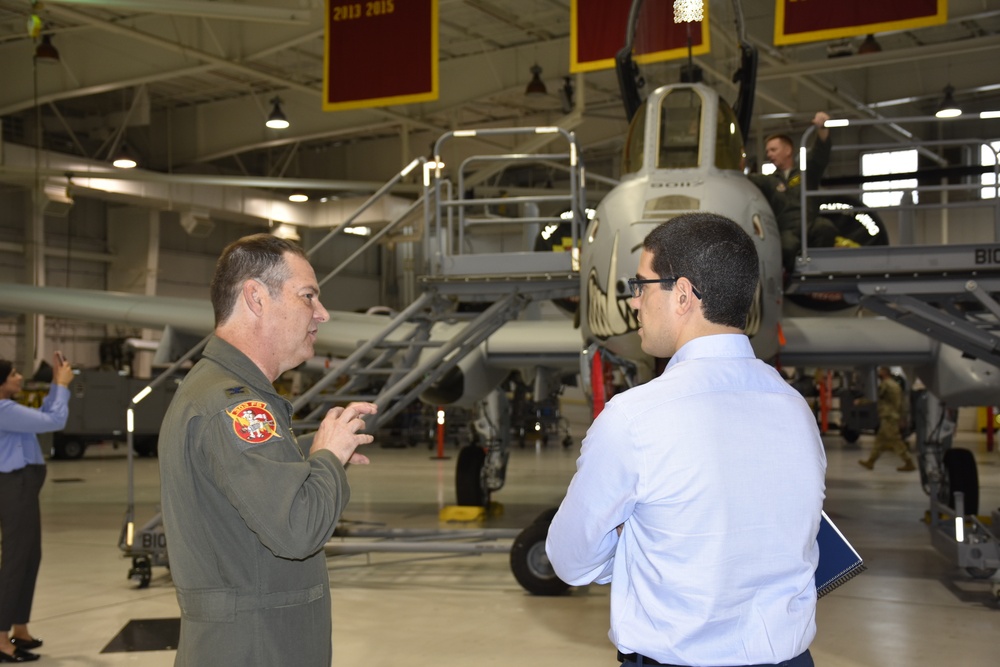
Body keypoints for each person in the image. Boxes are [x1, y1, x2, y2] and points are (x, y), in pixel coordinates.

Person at [546, 213, 827, 667]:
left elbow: (570, 559)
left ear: (681, 295)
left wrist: (633, 543)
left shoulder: (635, 419)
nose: (634, 303)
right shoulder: (795, 408)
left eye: (640, 286)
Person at [158, 234, 377, 667]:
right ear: (256, 297)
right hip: (257, 649)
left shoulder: (220, 392)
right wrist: (327, 459)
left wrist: (316, 455)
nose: (323, 314)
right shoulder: (235, 406)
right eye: (308, 296)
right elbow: (298, 528)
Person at [0, 352, 74, 663]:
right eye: (14, 373)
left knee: (30, 555)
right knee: (17, 558)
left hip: (23, 488)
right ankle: (1, 639)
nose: (19, 377)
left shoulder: (10, 409)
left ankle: (20, 628)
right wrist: (61, 385)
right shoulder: (3, 409)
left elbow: (42, 415)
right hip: (13, 487)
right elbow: (54, 420)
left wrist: (57, 385)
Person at [763, 111, 842, 257]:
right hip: (787, 229)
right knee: (787, 246)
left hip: (809, 223)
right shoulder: (768, 180)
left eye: (773, 150)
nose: (769, 155)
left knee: (826, 228)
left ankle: (820, 272)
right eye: (767, 151)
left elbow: (820, 154)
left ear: (788, 150)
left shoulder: (806, 171)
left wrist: (822, 128)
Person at [859, 366, 915, 472]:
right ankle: (870, 461)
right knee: (879, 441)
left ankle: (909, 462)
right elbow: (902, 404)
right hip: (893, 416)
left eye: (880, 372)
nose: (879, 374)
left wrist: (860, 402)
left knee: (895, 441)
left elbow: (875, 397)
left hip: (888, 417)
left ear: (884, 373)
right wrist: (902, 417)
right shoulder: (896, 385)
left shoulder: (885, 385)